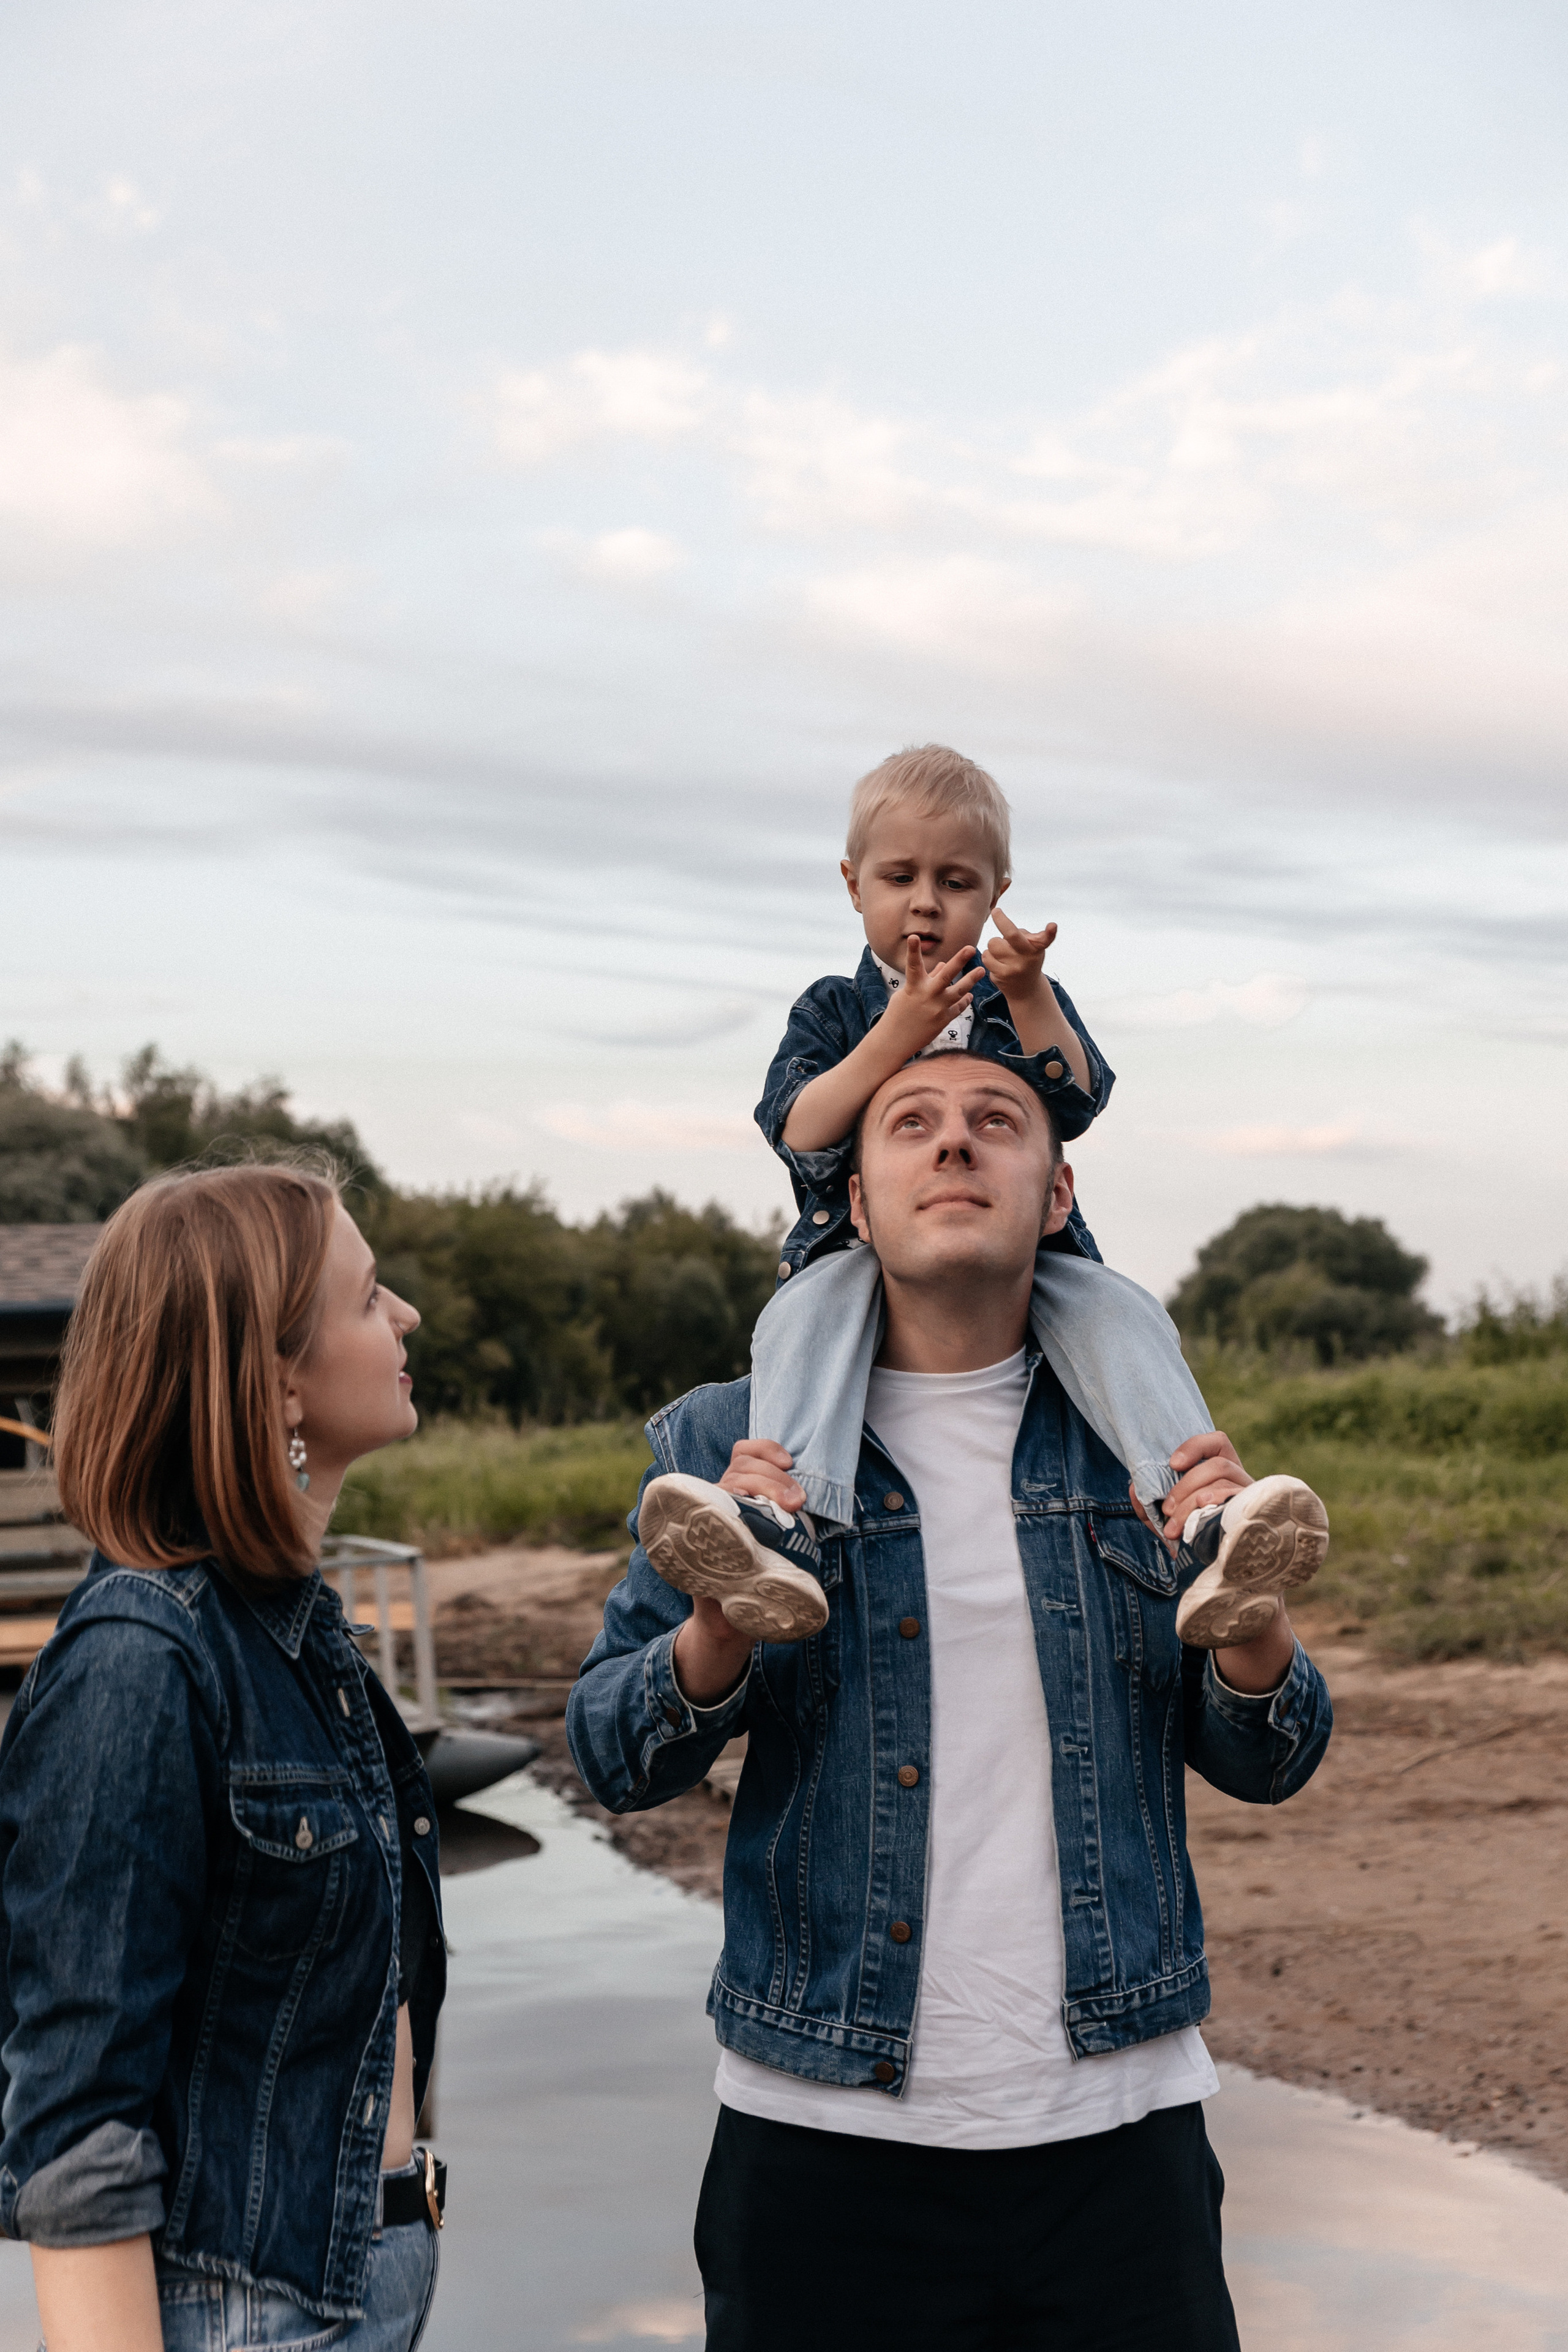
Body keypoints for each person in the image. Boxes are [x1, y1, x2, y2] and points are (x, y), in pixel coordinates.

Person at [567, 1050, 1333, 2350]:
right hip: (820, 2141)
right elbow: (611, 1753)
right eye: (911, 1123)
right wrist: (716, 1625)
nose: (955, 1144)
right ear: (857, 1204)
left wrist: (1249, 1620)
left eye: (998, 1121)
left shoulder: (1144, 1436)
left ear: (1057, 1193)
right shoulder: (732, 1446)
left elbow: (1271, 1760)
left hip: (1117, 2138)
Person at [0, 1164, 447, 2352]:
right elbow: (74, 2120)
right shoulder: (139, 1663)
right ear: (277, 1379)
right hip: (246, 2318)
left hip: (357, 2279)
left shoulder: (299, 1644)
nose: (405, 1315)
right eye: (369, 1298)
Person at [745, 744, 1328, 1635]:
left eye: (957, 882)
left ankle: (1201, 1513)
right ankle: (782, 1521)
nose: (927, 902)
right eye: (900, 877)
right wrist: (895, 1034)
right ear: (854, 885)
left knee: (1122, 1311)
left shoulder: (1011, 993)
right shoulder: (834, 1009)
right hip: (860, 1253)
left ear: (997, 893)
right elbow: (798, 1126)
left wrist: (1029, 995)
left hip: (1031, 1254)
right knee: (799, 1318)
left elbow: (1080, 1095)